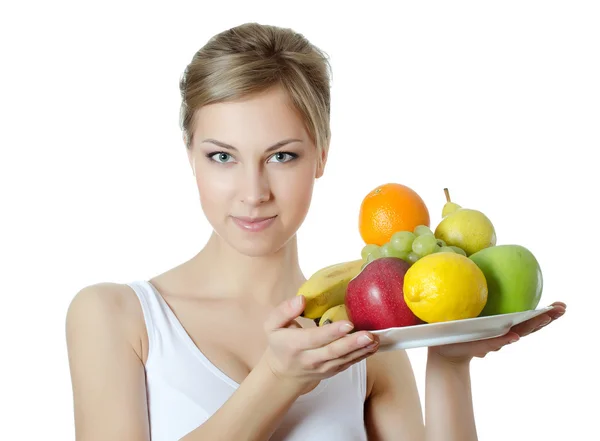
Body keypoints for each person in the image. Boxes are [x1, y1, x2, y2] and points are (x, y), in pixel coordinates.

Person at [65, 22, 567, 441]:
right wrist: (276, 381)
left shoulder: (367, 333)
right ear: (190, 155)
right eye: (222, 156)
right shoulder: (116, 317)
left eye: (282, 156)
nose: (253, 191)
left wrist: (451, 365)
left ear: (321, 153)